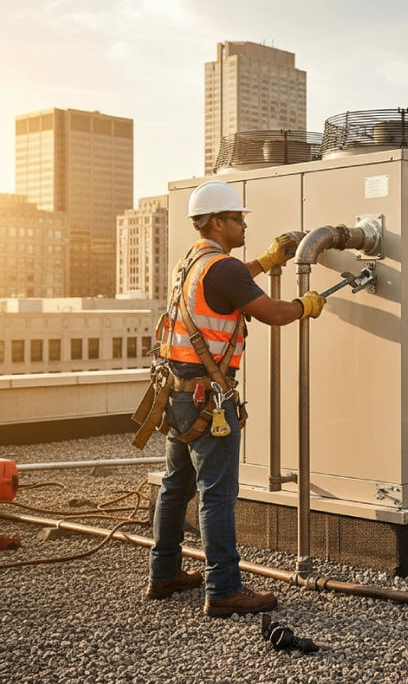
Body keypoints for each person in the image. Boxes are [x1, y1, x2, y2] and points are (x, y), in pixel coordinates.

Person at [146, 180, 326, 616]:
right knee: (217, 492)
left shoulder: (195, 260)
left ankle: (163, 573)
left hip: (178, 392)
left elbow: (231, 283)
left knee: (176, 485)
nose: (245, 223)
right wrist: (305, 304)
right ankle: (223, 590)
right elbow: (273, 314)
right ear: (217, 222)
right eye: (238, 218)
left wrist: (264, 262)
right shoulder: (222, 268)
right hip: (209, 398)